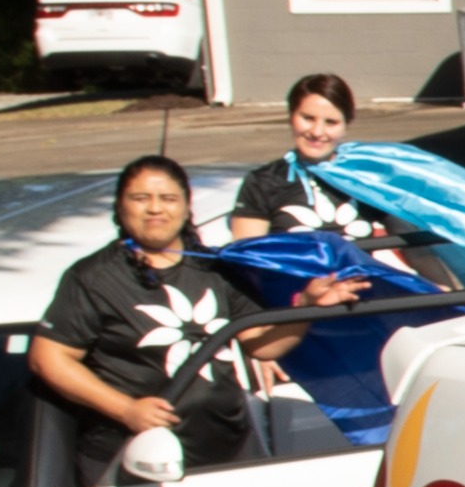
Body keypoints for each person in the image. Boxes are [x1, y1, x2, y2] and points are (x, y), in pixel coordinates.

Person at [36, 153, 295, 470]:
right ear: (120, 206)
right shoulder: (92, 278)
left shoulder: (214, 268)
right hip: (130, 462)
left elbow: (262, 344)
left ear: (186, 207)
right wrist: (126, 409)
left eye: (168, 198)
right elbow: (49, 357)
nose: (155, 208)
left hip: (229, 453)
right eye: (140, 198)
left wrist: (306, 307)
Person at [216, 73, 448, 281]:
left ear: (346, 125)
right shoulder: (263, 182)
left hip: (365, 298)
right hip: (298, 307)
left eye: (331, 122)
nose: (317, 132)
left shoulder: (363, 178)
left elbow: (417, 250)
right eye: (307, 118)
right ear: (291, 116)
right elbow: (249, 265)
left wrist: (449, 293)